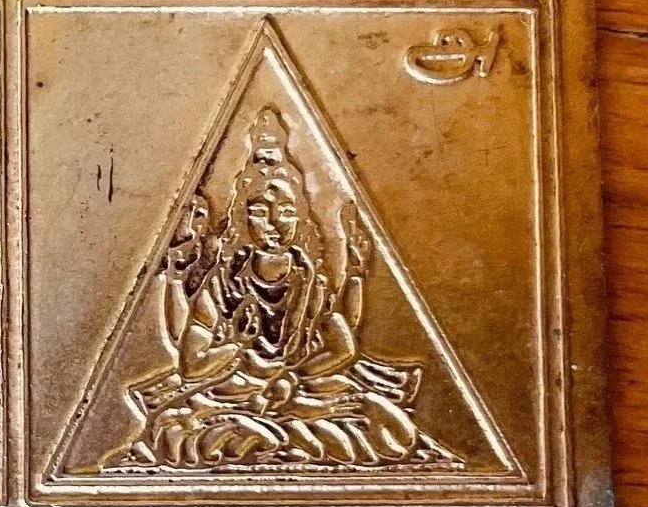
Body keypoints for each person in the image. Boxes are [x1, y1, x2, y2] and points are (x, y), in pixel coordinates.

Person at [107, 108, 454, 469]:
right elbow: (192, 366)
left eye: (285, 211)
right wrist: (237, 345)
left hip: (301, 391)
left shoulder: (309, 279)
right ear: (243, 217)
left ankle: (272, 437)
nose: (273, 223)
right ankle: (268, 437)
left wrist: (291, 376)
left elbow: (343, 348)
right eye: (260, 212)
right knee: (178, 429)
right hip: (232, 393)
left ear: (300, 217)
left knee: (385, 423)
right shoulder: (224, 283)